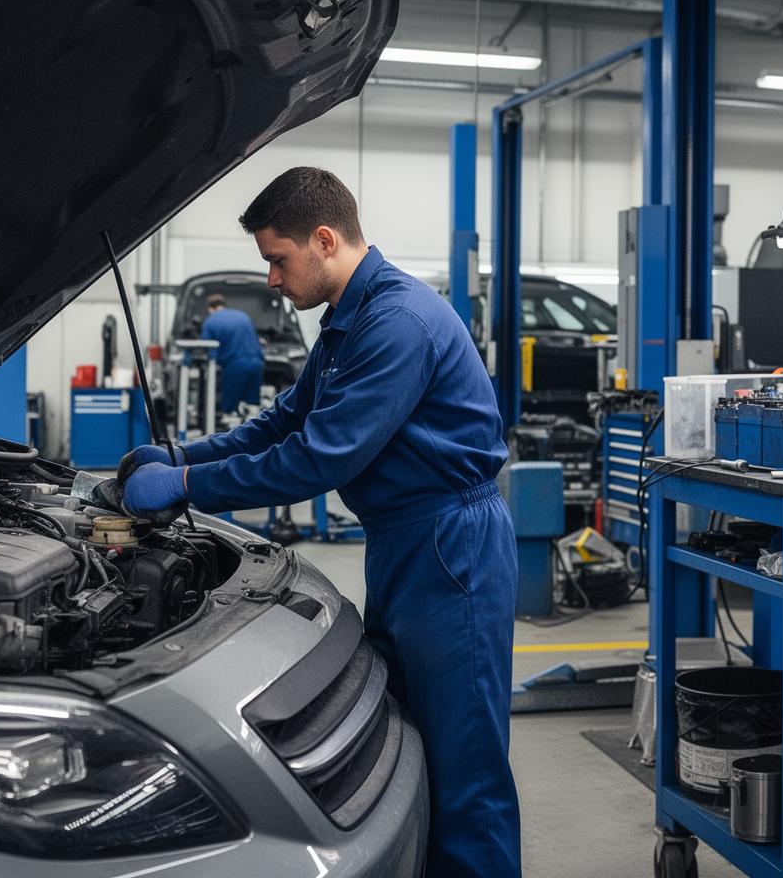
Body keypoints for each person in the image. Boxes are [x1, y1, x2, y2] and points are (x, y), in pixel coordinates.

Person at [122, 166, 520, 877]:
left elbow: (315, 459)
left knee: (468, 774)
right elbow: (285, 421)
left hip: (452, 550)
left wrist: (183, 485)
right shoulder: (346, 322)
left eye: (278, 259)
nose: (272, 279)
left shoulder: (395, 323)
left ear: (325, 240)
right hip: (405, 543)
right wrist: (185, 453)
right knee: (415, 749)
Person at [198, 293, 264, 414]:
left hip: (235, 366)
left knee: (230, 410)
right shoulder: (243, 316)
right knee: (252, 407)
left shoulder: (211, 321)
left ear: (210, 308)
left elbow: (207, 349)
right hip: (257, 364)